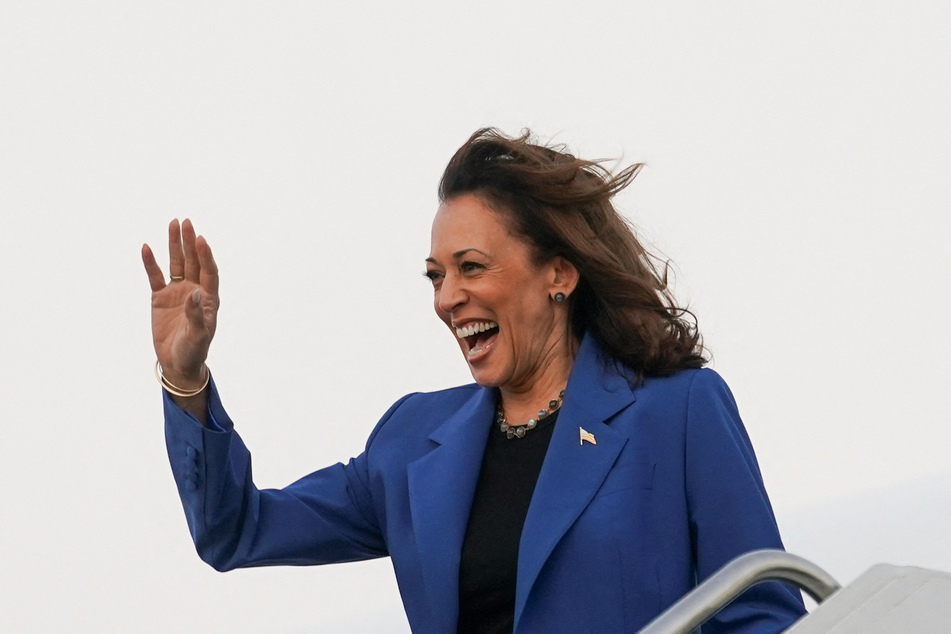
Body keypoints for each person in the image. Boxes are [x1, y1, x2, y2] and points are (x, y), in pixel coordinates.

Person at [142, 129, 806, 633]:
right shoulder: (410, 442)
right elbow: (238, 530)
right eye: (436, 276)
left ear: (557, 274)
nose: (446, 298)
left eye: (472, 267)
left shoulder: (678, 410)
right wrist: (186, 379)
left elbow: (761, 615)